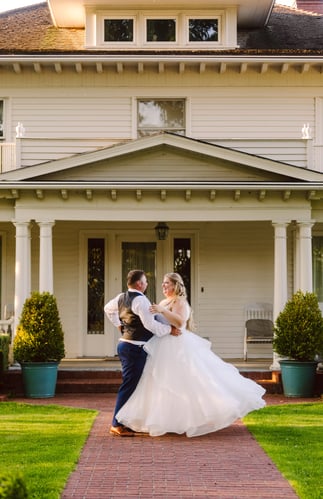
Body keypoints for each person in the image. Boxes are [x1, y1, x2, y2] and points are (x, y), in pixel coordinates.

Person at [116, 272, 266, 437]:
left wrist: (162, 311)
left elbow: (180, 323)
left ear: (176, 285)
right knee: (161, 382)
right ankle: (167, 419)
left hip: (177, 346)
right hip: (161, 345)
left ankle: (191, 418)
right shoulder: (163, 302)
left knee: (184, 381)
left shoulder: (180, 302)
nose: (163, 286)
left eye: (167, 283)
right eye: (163, 283)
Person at [104, 269, 181, 437]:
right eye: (145, 281)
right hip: (134, 348)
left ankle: (125, 421)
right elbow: (150, 325)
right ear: (139, 284)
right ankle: (116, 424)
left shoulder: (121, 297)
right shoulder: (141, 300)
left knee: (135, 385)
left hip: (126, 345)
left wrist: (120, 326)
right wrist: (169, 329)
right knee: (129, 385)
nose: (147, 284)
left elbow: (108, 309)